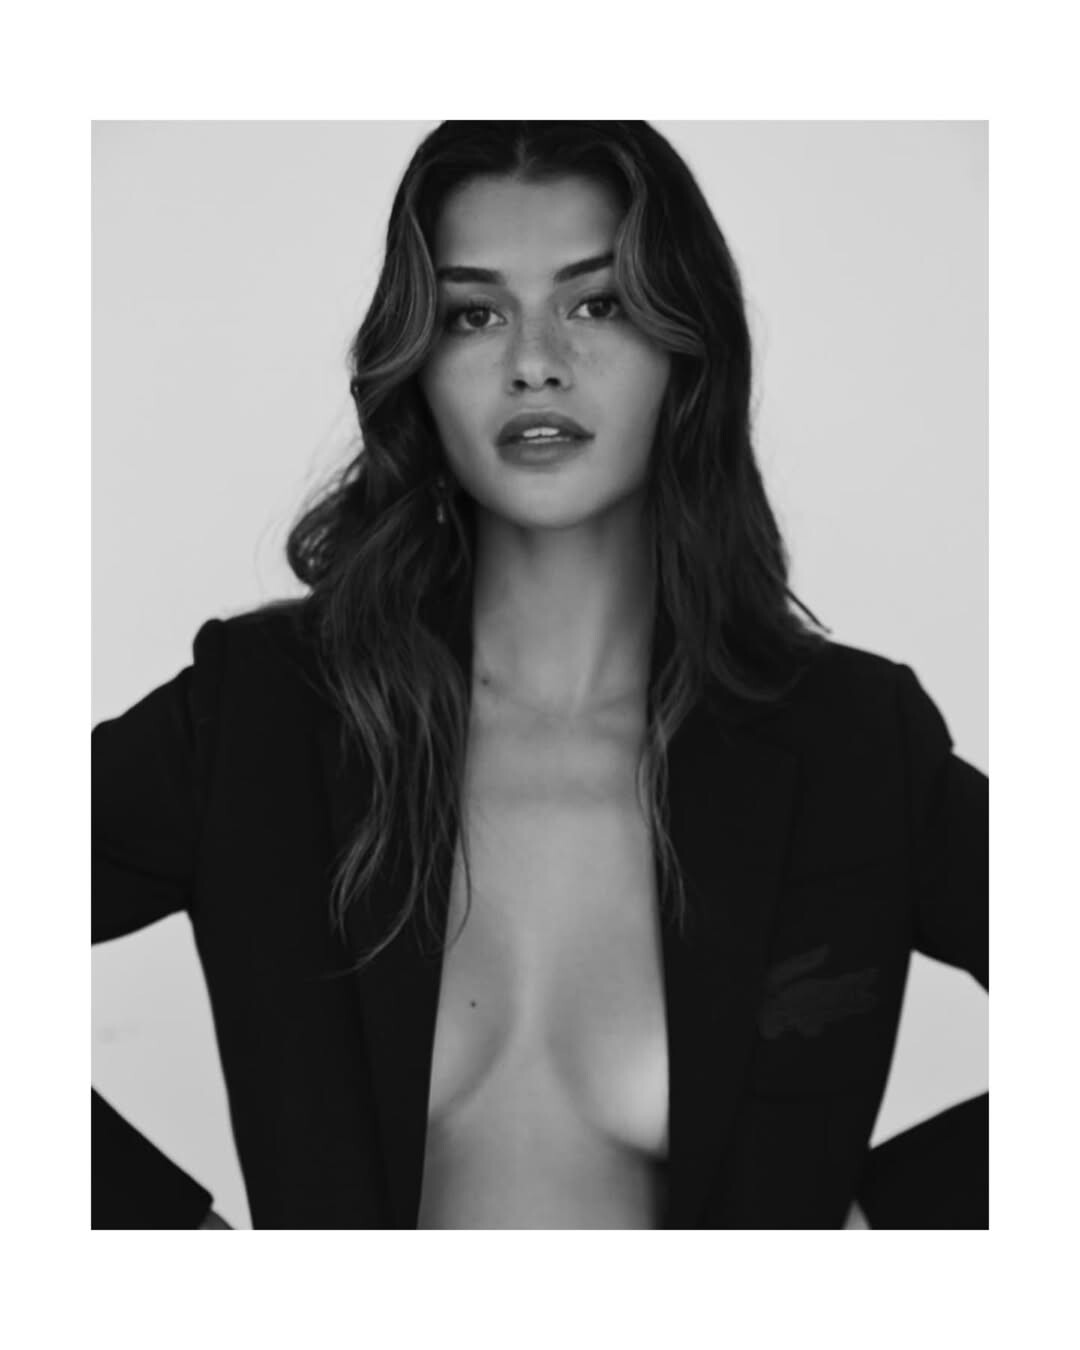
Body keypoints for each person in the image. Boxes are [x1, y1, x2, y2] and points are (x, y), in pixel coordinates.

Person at [92, 120, 988, 1229]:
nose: (533, 360)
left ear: (688, 346)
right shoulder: (262, 718)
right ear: (417, 364)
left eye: (597, 303)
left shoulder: (852, 745)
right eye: (473, 314)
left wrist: (890, 1232)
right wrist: (164, 1254)